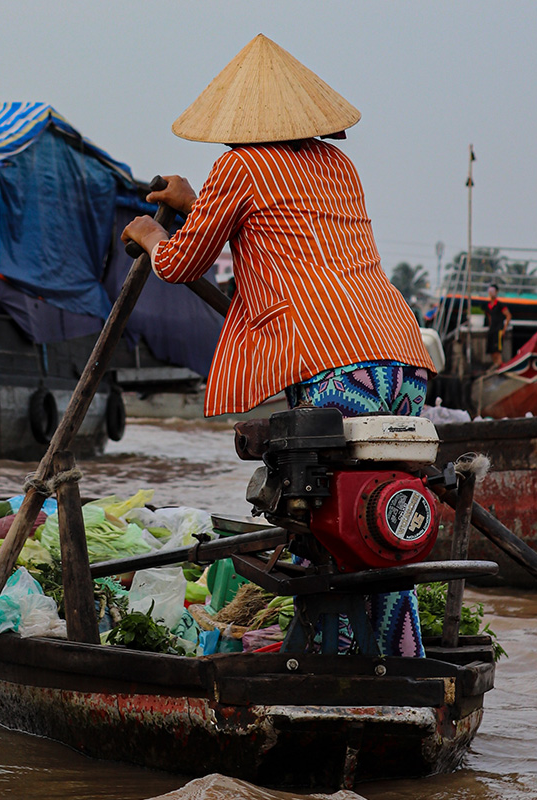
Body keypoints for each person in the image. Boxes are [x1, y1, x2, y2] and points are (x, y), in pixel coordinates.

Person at [122, 35, 435, 657]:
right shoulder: (338, 166)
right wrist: (194, 202)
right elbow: (280, 217)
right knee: (381, 517)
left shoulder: (240, 165)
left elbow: (183, 263)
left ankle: (331, 660)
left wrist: (154, 232)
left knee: (327, 519)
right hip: (400, 354)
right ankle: (399, 659)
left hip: (336, 361)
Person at [485, 283, 512, 369]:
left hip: (499, 329)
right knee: (491, 350)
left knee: (497, 350)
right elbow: (489, 317)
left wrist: (504, 328)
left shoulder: (500, 305)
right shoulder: (488, 305)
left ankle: (500, 365)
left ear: (496, 292)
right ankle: (495, 365)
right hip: (492, 329)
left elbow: (508, 315)